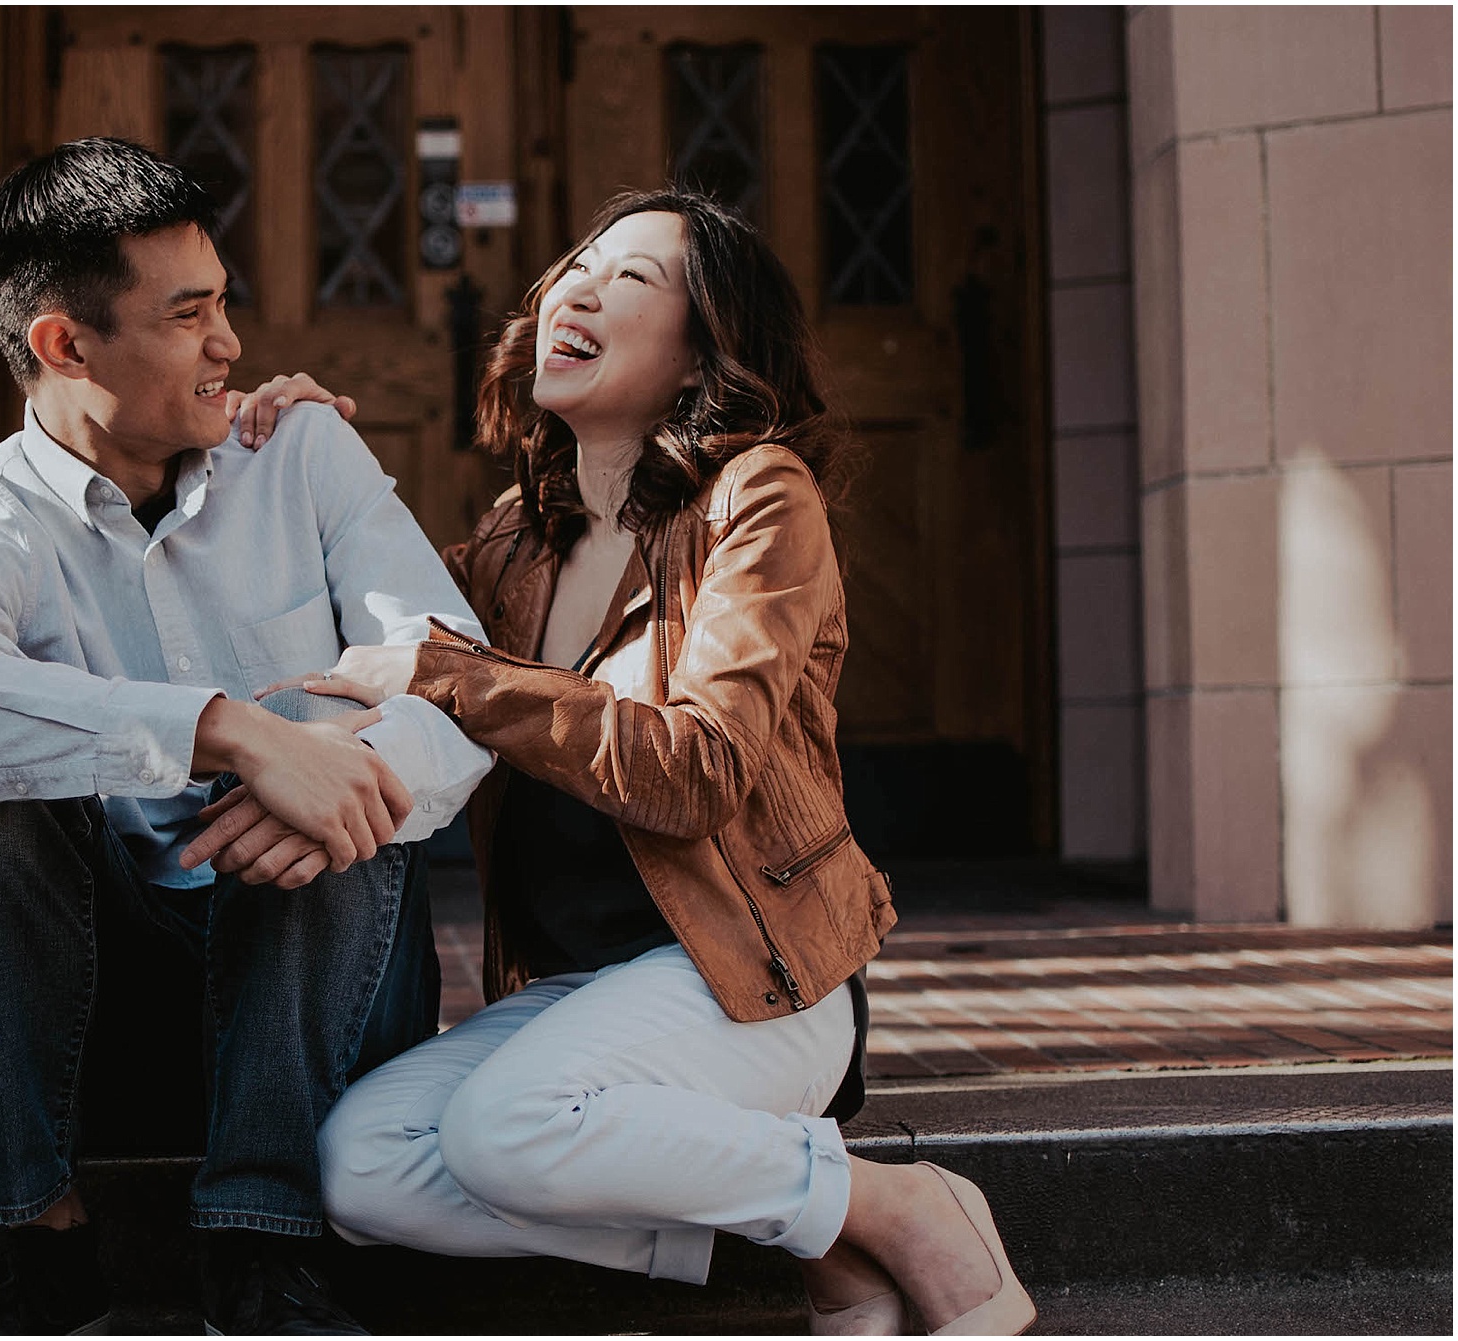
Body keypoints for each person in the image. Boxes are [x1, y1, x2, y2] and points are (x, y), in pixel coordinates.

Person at [198, 190, 1037, 1334]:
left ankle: (906, 1207)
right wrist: (292, 452)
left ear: (703, 352)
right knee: (360, 1168)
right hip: (577, 996)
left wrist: (455, 677)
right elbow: (364, 633)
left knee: (502, 1130)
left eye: (632, 278)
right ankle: (829, 1226)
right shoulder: (516, 538)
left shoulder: (755, 498)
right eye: (575, 268)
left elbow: (696, 772)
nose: (576, 291)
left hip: (748, 981)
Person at [0, 137, 492, 1335]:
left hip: (327, 1002)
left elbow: (454, 674)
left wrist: (341, 769)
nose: (230, 346)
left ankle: (263, 1254)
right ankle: (40, 1248)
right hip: (103, 1021)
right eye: (188, 315)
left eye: (223, 305)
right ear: (65, 345)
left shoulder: (297, 451)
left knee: (339, 763)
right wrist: (229, 732)